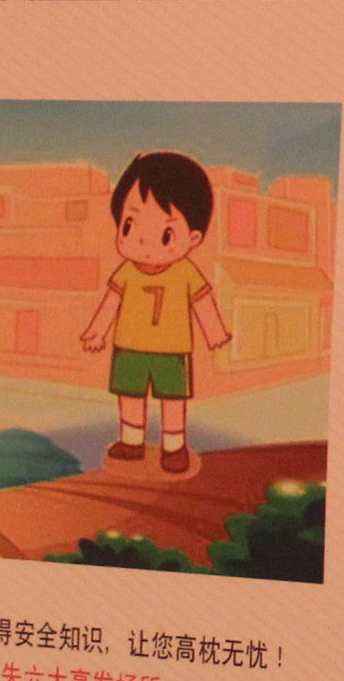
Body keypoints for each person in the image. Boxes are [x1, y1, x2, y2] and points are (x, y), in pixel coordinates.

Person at [78, 151, 231, 478]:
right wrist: (97, 331)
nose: (143, 242)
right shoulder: (126, 271)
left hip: (172, 350)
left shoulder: (186, 272)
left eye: (165, 234)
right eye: (129, 225)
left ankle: (174, 447)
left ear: (193, 238)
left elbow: (202, 303)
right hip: (128, 346)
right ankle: (132, 441)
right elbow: (111, 302)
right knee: (130, 395)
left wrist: (215, 332)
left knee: (172, 400)